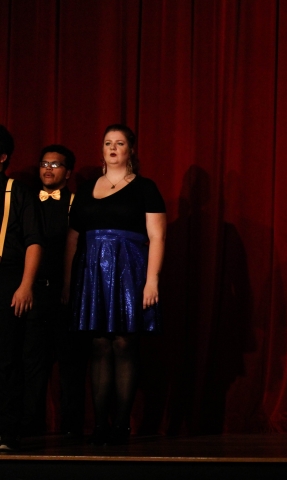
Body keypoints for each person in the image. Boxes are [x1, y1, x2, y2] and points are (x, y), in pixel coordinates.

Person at [63, 124, 166, 445]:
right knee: (98, 344)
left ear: (130, 149)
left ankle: (121, 423)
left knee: (123, 343)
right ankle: (100, 425)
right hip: (92, 272)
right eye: (108, 143)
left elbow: (158, 236)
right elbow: (73, 237)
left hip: (129, 271)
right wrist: (68, 283)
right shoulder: (86, 189)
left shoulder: (145, 187)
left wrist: (152, 281)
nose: (113, 148)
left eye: (119, 143)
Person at [23, 145, 89, 438]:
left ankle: (72, 430)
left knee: (71, 366)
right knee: (33, 364)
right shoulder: (26, 201)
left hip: (67, 295)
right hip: (34, 293)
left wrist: (69, 287)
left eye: (55, 164)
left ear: (68, 172)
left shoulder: (77, 203)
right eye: (44, 163)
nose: (48, 169)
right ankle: (31, 429)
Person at [0, 125, 44, 451]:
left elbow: (33, 241)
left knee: (6, 359)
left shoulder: (18, 192)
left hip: (7, 280)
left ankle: (7, 433)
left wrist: (26, 285)